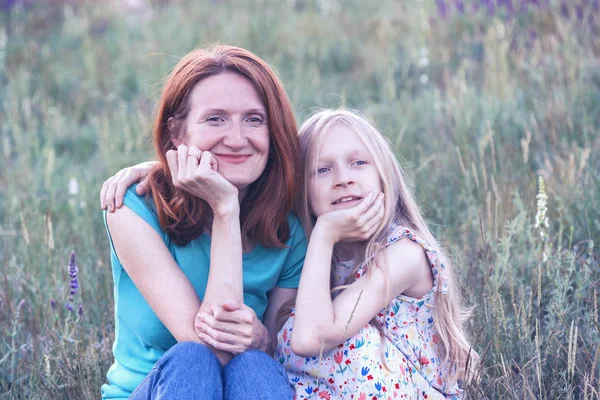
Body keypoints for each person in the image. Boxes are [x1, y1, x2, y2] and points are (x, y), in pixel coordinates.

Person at [99, 45, 307, 400]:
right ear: (177, 135)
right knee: (192, 360)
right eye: (215, 119)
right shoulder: (132, 207)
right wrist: (226, 208)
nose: (238, 139)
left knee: (256, 365)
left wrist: (263, 339)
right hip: (158, 390)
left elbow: (282, 356)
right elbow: (211, 350)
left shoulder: (288, 229)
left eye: (254, 119)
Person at [274, 109, 476, 399]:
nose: (343, 178)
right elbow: (270, 344)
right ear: (301, 190)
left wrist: (325, 232)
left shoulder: (404, 253)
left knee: (350, 343)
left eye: (358, 163)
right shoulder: (311, 257)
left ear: (384, 176)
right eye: (322, 169)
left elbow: (310, 339)